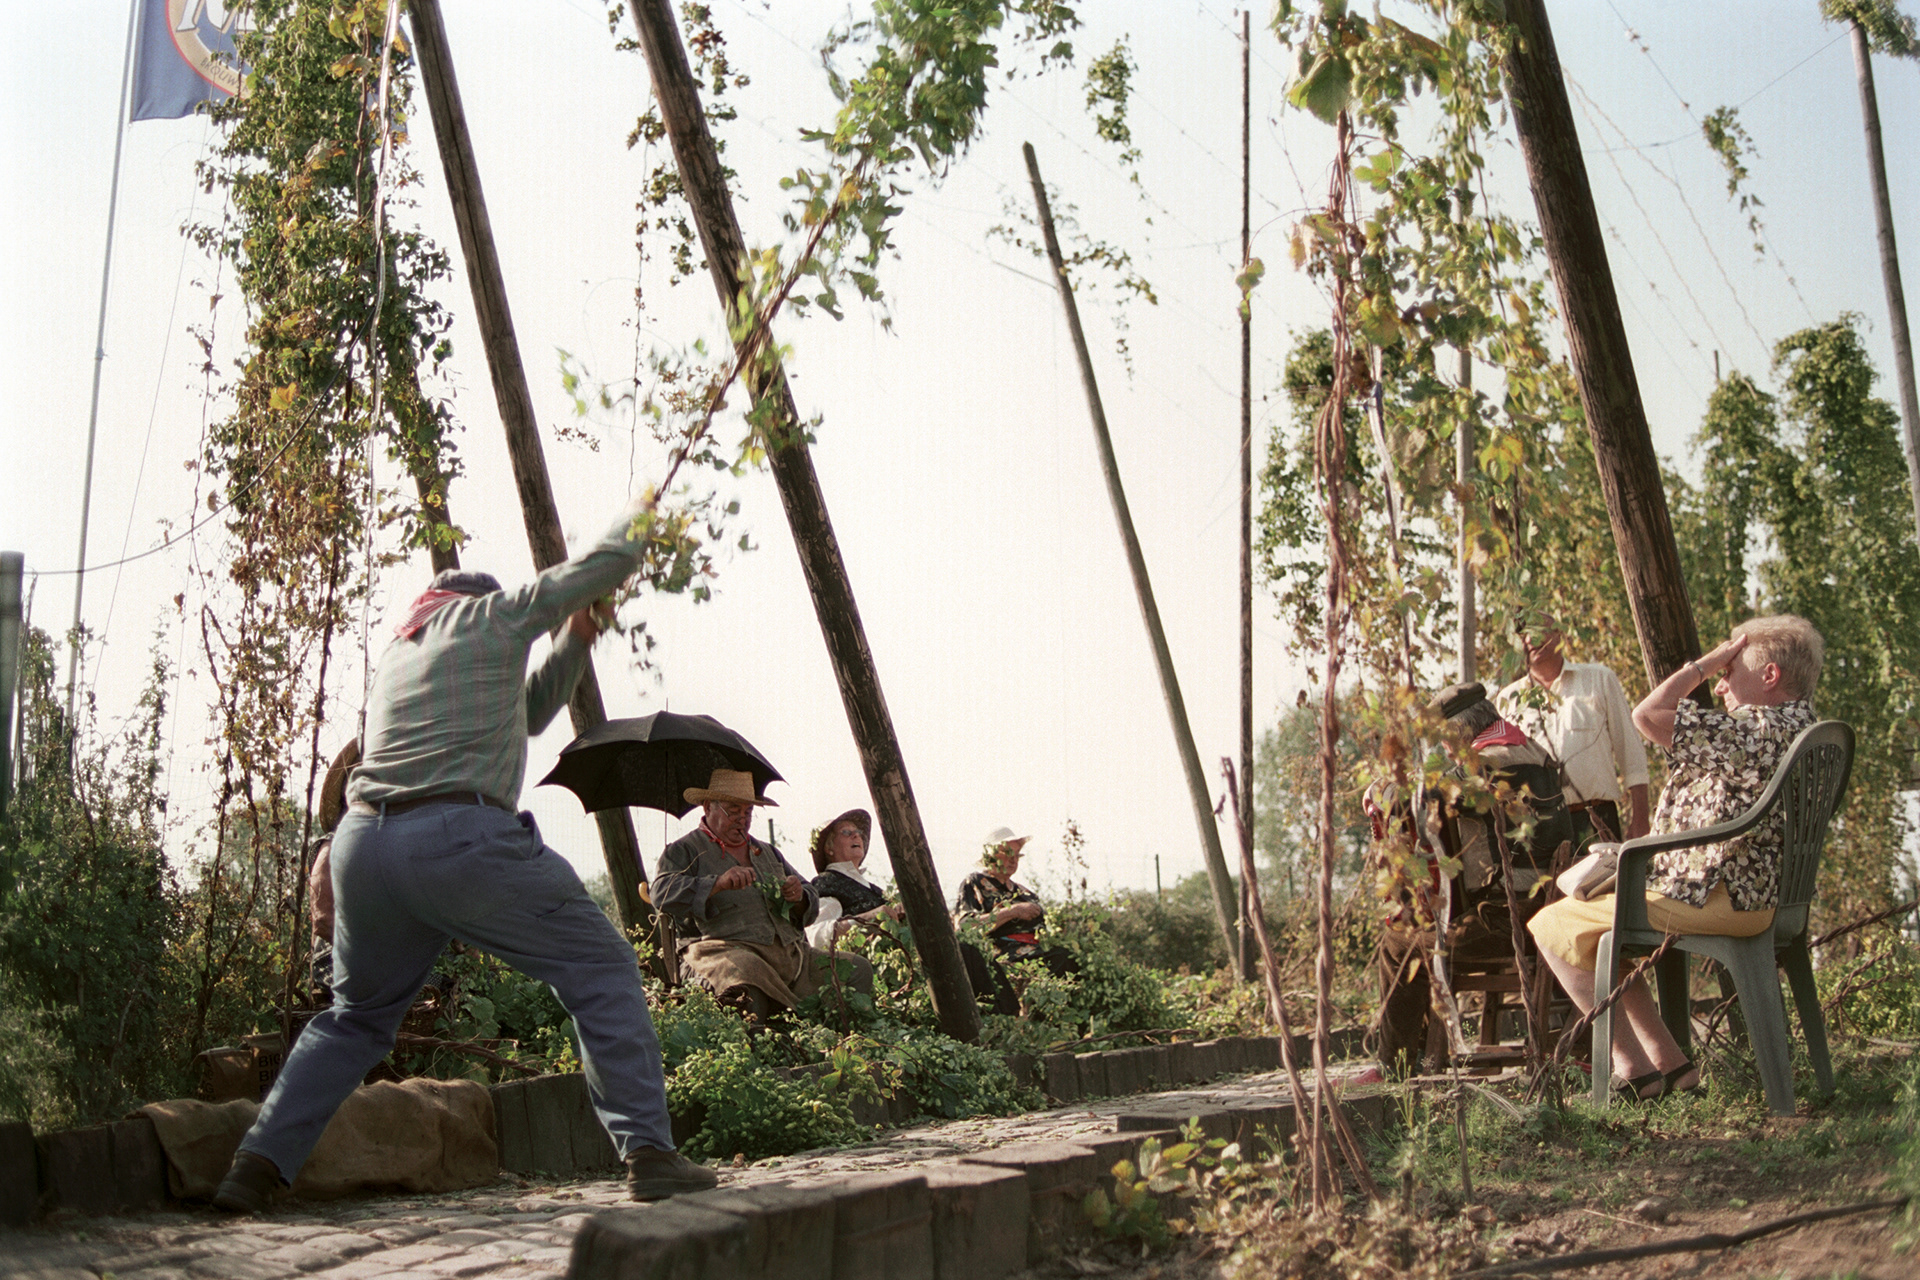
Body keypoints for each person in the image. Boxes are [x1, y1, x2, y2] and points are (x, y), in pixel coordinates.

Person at [213, 499, 716, 1213]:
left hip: (364, 848)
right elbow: (591, 569)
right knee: (600, 964)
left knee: (354, 1020)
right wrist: (647, 520)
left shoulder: (404, 654)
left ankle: (254, 1167)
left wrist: (576, 639)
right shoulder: (488, 617)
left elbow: (530, 712)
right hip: (457, 839)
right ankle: (650, 1154)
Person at [1528, 614, 1823, 1100]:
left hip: (1723, 898)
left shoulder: (1757, 730)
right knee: (1601, 927)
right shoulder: (1803, 727)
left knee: (1552, 923)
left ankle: (1634, 1069)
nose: (1723, 682)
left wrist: (1702, 665)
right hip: (1764, 895)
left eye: (1732, 667)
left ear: (1769, 675)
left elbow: (1647, 715)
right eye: (1721, 669)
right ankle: (1671, 1064)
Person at [1371, 682, 1574, 1073]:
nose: (1445, 751)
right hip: (1550, 912)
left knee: (1399, 942)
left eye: (1445, 742)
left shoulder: (1487, 765)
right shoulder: (1534, 752)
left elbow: (1417, 798)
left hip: (1506, 923)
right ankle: (1416, 1056)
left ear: (1460, 734)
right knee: (1431, 925)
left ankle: (1394, 1067)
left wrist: (1382, 792)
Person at [653, 770, 873, 1020]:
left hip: (790, 959)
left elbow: (810, 899)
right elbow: (661, 893)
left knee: (857, 970)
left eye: (747, 812)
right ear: (707, 807)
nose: (742, 819)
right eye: (733, 810)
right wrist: (717, 884)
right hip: (721, 954)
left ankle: (838, 1040)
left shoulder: (767, 852)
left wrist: (799, 896)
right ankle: (760, 1048)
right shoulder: (684, 850)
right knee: (744, 984)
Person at [1497, 610, 1651, 853]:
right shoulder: (1509, 700)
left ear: (1559, 635)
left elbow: (1630, 750)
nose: (1531, 640)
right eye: (1524, 635)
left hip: (1595, 819)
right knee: (1548, 892)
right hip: (1539, 829)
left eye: (1539, 631)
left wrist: (1641, 817)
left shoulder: (1598, 679)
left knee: (1605, 890)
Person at [954, 827, 1075, 1015]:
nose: (1013, 860)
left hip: (1037, 954)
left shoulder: (1025, 893)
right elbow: (965, 928)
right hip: (1002, 958)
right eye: (1008, 853)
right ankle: (1021, 1018)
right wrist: (1012, 912)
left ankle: (1046, 1022)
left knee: (1068, 958)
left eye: (1017, 855)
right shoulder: (975, 883)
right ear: (990, 855)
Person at [805, 808, 904, 951]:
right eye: (846, 832)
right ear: (829, 847)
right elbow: (816, 936)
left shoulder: (874, 889)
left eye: (858, 833)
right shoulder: (826, 883)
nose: (856, 836)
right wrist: (866, 919)